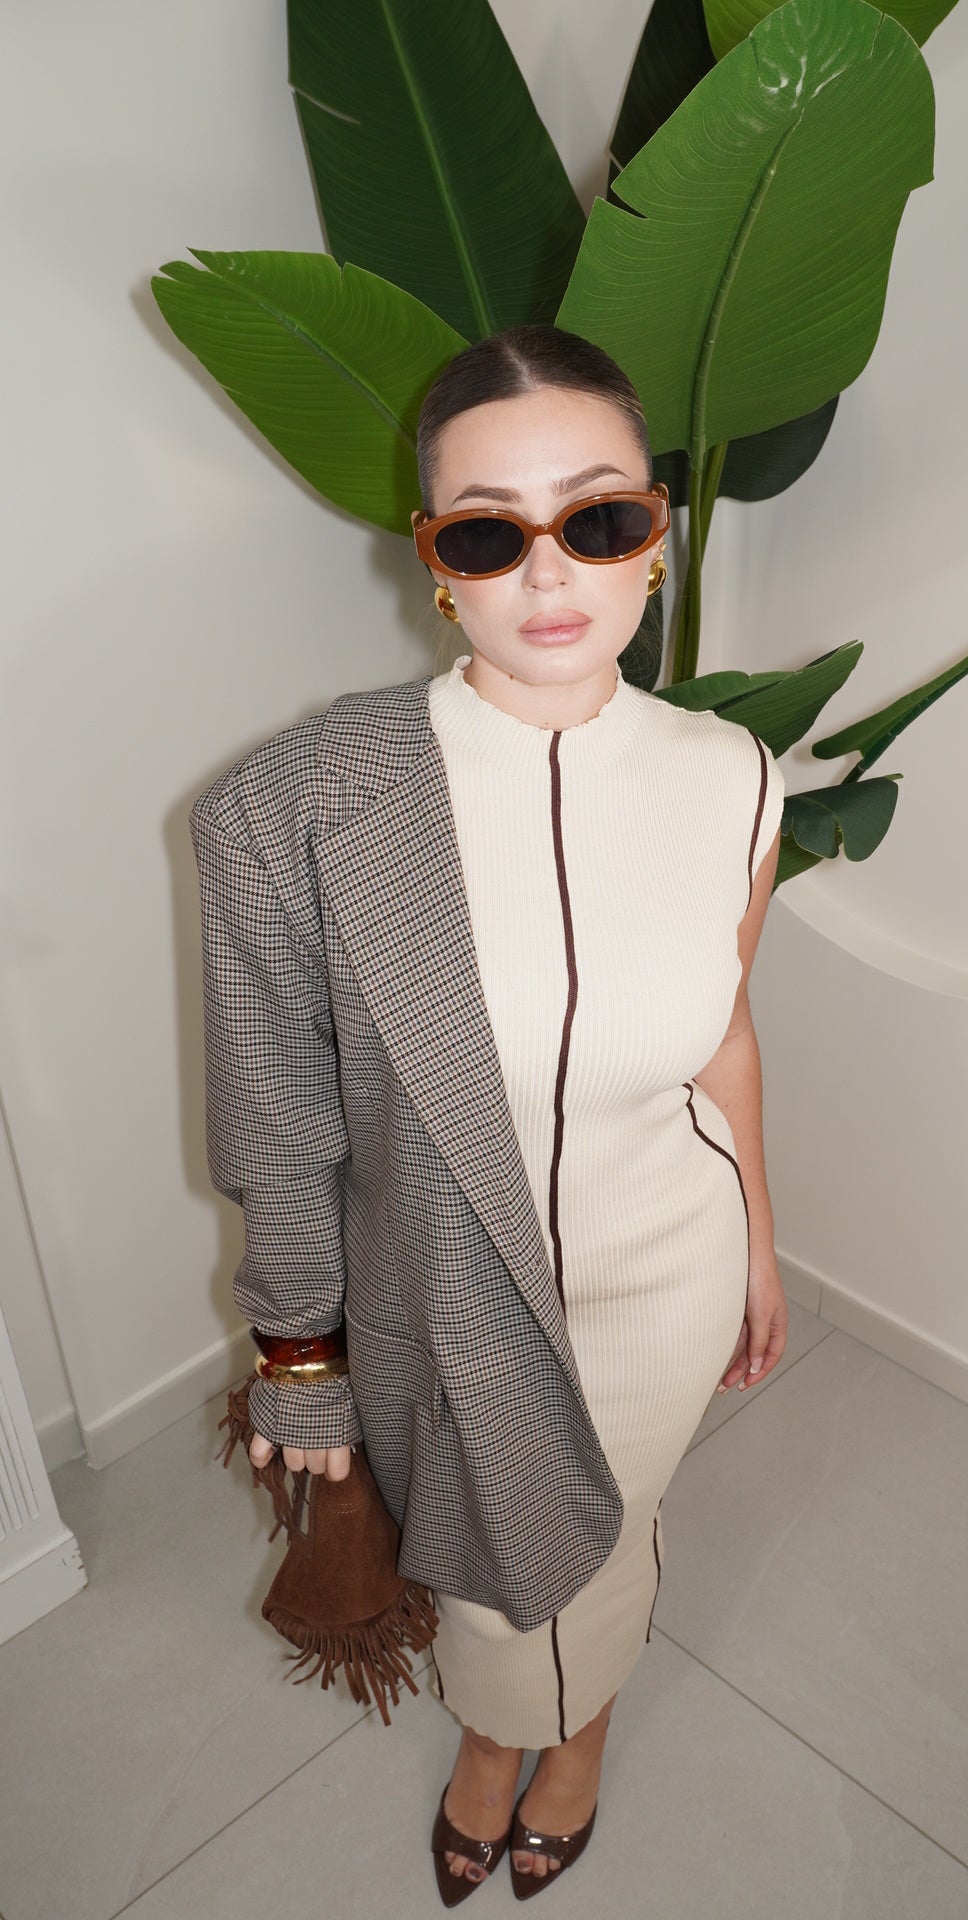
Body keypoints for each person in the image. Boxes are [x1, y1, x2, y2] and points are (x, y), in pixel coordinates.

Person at [203, 322, 787, 1903]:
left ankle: (567, 1738)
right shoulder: (302, 806)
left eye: (599, 517)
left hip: (668, 1264)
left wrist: (761, 1243)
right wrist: (299, 1363)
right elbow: (277, 1117)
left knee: (612, 1527)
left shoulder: (735, 774)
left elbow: (724, 1030)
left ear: (654, 534)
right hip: (442, 1289)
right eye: (487, 531)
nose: (550, 572)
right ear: (434, 561)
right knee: (482, 1561)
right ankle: (500, 1729)